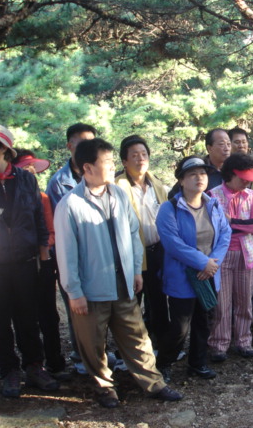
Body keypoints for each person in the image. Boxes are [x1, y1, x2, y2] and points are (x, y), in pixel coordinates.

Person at [54, 138, 181, 408]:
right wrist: (74, 292)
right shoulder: (70, 205)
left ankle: (154, 383)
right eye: (108, 162)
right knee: (93, 344)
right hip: (90, 290)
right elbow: (66, 253)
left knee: (137, 337)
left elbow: (134, 234)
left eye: (113, 162)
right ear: (87, 167)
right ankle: (104, 388)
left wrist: (136, 269)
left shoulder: (119, 194)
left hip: (122, 283)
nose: (113, 167)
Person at [0, 124, 58, 398]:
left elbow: (38, 218)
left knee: (28, 317)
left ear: (4, 148)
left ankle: (34, 366)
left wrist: (43, 252)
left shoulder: (26, 179)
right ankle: (9, 371)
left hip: (26, 260)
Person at [155, 156, 231, 381]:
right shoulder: (169, 209)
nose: (199, 178)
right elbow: (172, 243)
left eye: (203, 174)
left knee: (203, 322)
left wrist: (212, 263)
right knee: (180, 326)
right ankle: (164, 363)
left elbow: (225, 234)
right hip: (183, 277)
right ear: (181, 180)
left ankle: (198, 363)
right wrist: (203, 262)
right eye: (192, 174)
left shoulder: (213, 204)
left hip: (208, 274)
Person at [12, 149, 70, 380]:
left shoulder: (43, 198)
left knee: (48, 315)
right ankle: (32, 363)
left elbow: (52, 231)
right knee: (24, 314)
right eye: (24, 168)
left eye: (31, 169)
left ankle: (55, 360)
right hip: (16, 265)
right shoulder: (9, 199)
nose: (29, 172)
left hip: (43, 262)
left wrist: (40, 246)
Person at [46, 122, 97, 370]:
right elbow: (63, 228)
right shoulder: (59, 182)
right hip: (72, 257)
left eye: (92, 142)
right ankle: (80, 356)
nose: (88, 148)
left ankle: (99, 352)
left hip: (98, 257)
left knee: (97, 306)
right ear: (70, 146)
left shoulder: (99, 175)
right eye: (81, 143)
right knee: (76, 305)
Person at [208, 153, 253, 361]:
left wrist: (232, 223)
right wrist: (242, 226)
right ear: (231, 174)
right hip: (221, 257)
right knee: (222, 304)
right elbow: (215, 227)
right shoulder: (212, 196)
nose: (247, 181)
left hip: (247, 254)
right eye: (243, 177)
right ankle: (219, 344)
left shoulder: (251, 196)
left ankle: (244, 340)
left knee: (244, 301)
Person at [115, 135, 169, 349]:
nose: (140, 159)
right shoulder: (117, 187)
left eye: (144, 154)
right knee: (132, 303)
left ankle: (162, 345)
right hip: (131, 255)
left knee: (158, 300)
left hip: (158, 252)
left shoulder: (157, 184)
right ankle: (129, 350)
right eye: (134, 155)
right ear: (124, 162)